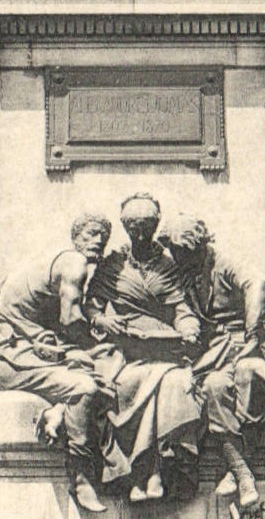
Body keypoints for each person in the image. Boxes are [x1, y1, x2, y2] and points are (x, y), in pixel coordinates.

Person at [160, 216, 265, 512]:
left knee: (248, 375)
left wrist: (253, 331)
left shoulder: (224, 263)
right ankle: (242, 472)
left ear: (197, 247)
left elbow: (255, 283)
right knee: (213, 386)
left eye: (182, 253)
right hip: (215, 351)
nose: (177, 259)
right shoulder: (187, 273)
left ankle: (239, 471)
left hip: (253, 345)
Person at [0, 213, 115, 513]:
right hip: (11, 358)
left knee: (99, 371)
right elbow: (70, 320)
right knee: (86, 386)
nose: (98, 241)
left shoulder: (47, 261)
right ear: (75, 238)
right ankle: (80, 476)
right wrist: (99, 340)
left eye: (103, 237)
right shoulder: (74, 265)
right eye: (91, 234)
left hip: (22, 351)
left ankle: (57, 412)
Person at [87, 193, 203, 501]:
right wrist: (102, 321)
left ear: (155, 225)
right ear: (125, 226)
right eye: (134, 225)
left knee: (175, 382)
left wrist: (188, 327)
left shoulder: (168, 264)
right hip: (125, 352)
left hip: (165, 353)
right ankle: (140, 476)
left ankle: (154, 474)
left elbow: (182, 308)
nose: (140, 232)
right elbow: (91, 307)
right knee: (125, 383)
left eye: (147, 225)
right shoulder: (112, 264)